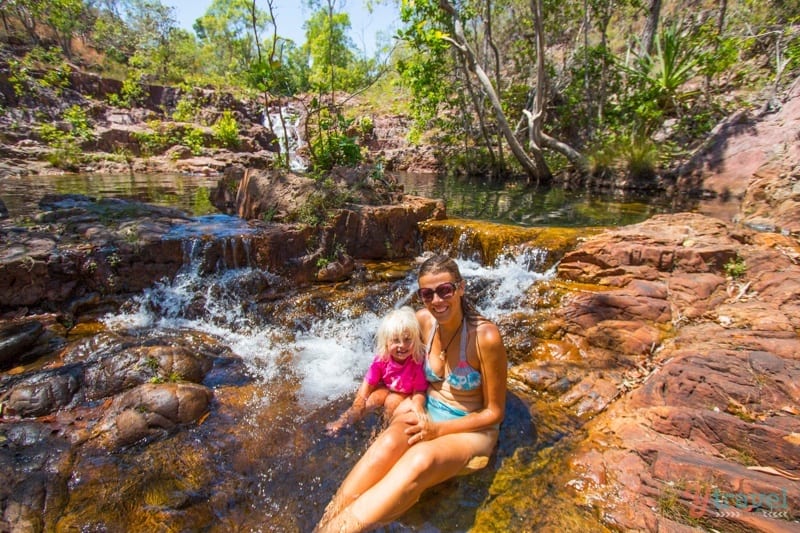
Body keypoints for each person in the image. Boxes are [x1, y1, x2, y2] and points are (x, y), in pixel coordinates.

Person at [316, 254, 507, 532]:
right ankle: (325, 524)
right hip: (426, 413)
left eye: (445, 290)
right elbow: (390, 355)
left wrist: (437, 432)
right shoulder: (423, 322)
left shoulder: (485, 337)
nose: (437, 301)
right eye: (427, 294)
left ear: (460, 288)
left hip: (471, 429)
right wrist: (375, 400)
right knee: (386, 445)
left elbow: (494, 413)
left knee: (420, 460)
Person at [326, 306, 428, 435]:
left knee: (392, 402)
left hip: (405, 393)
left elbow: (419, 391)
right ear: (386, 342)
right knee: (370, 400)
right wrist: (358, 403)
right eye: (396, 340)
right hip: (385, 388)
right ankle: (343, 421)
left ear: (416, 339)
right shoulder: (382, 359)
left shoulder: (417, 361)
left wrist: (417, 404)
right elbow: (367, 383)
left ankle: (383, 431)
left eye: (407, 339)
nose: (402, 345)